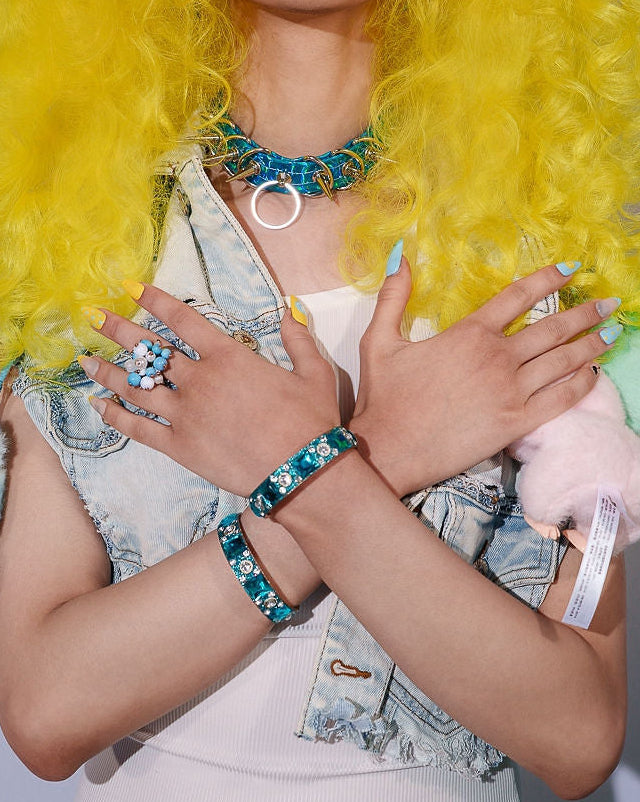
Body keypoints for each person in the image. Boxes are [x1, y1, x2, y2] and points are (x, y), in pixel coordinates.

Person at [0, 1, 639, 800]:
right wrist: (387, 446)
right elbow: (47, 710)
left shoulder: (522, 244)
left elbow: (578, 735)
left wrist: (321, 473)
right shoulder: (85, 236)